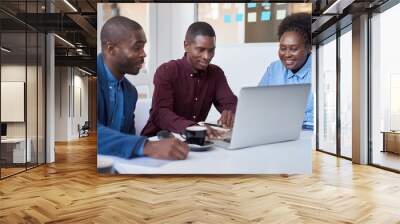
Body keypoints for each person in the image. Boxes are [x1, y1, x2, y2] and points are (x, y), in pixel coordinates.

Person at [98, 16, 189, 160]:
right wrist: (147, 146)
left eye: (143, 47)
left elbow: (127, 136)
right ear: (111, 49)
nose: (144, 54)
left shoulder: (130, 92)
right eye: (137, 47)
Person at [141, 22, 238, 137]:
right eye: (200, 50)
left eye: (211, 50)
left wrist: (231, 112)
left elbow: (231, 103)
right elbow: (161, 114)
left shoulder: (216, 73)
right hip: (157, 139)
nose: (207, 56)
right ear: (186, 45)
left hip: (193, 140)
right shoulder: (167, 71)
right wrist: (193, 128)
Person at [259, 13, 314, 130]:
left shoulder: (320, 68)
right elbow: (258, 104)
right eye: (282, 48)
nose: (287, 54)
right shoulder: (274, 69)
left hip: (309, 133)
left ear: (309, 48)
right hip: (277, 130)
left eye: (294, 49)